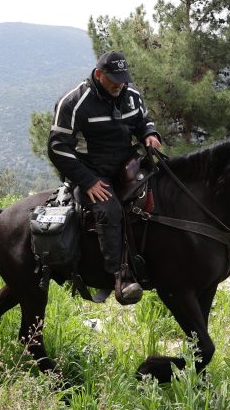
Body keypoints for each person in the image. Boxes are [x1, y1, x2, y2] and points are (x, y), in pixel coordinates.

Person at [47, 50, 162, 305]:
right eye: (113, 80)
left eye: (123, 79)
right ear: (99, 74)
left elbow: (143, 120)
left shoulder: (130, 94)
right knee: (109, 209)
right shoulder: (74, 102)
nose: (119, 85)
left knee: (162, 189)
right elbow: (57, 147)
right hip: (92, 171)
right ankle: (119, 275)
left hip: (127, 164)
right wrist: (87, 181)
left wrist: (150, 135)